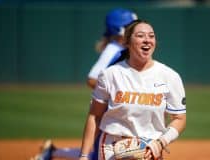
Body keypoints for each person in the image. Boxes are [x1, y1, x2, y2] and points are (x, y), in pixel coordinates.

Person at [30, 8, 138, 160]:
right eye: (131, 25)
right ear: (120, 29)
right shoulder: (113, 49)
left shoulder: (124, 49)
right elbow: (92, 78)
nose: (135, 29)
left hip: (117, 108)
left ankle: (52, 152)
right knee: (102, 153)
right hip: (107, 109)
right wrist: (117, 94)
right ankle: (53, 153)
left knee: (103, 152)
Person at [79, 19, 186, 160]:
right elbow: (95, 116)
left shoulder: (170, 76)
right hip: (113, 149)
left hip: (150, 150)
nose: (147, 40)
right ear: (127, 42)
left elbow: (179, 118)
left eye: (151, 36)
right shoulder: (111, 74)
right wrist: (84, 155)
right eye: (140, 35)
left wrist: (162, 142)